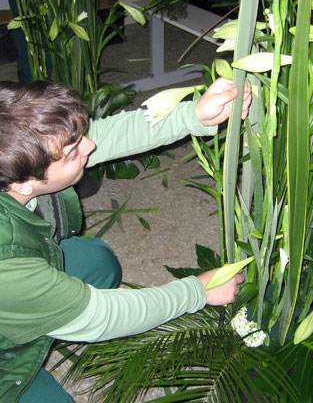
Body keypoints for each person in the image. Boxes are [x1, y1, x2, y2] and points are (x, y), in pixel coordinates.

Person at [0, 78, 251, 402]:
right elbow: (101, 316)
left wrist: (195, 115)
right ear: (22, 184)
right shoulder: (8, 268)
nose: (89, 147)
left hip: (19, 279)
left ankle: (41, 316)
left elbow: (107, 135)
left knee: (97, 263)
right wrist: (198, 291)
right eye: (74, 152)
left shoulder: (11, 158)